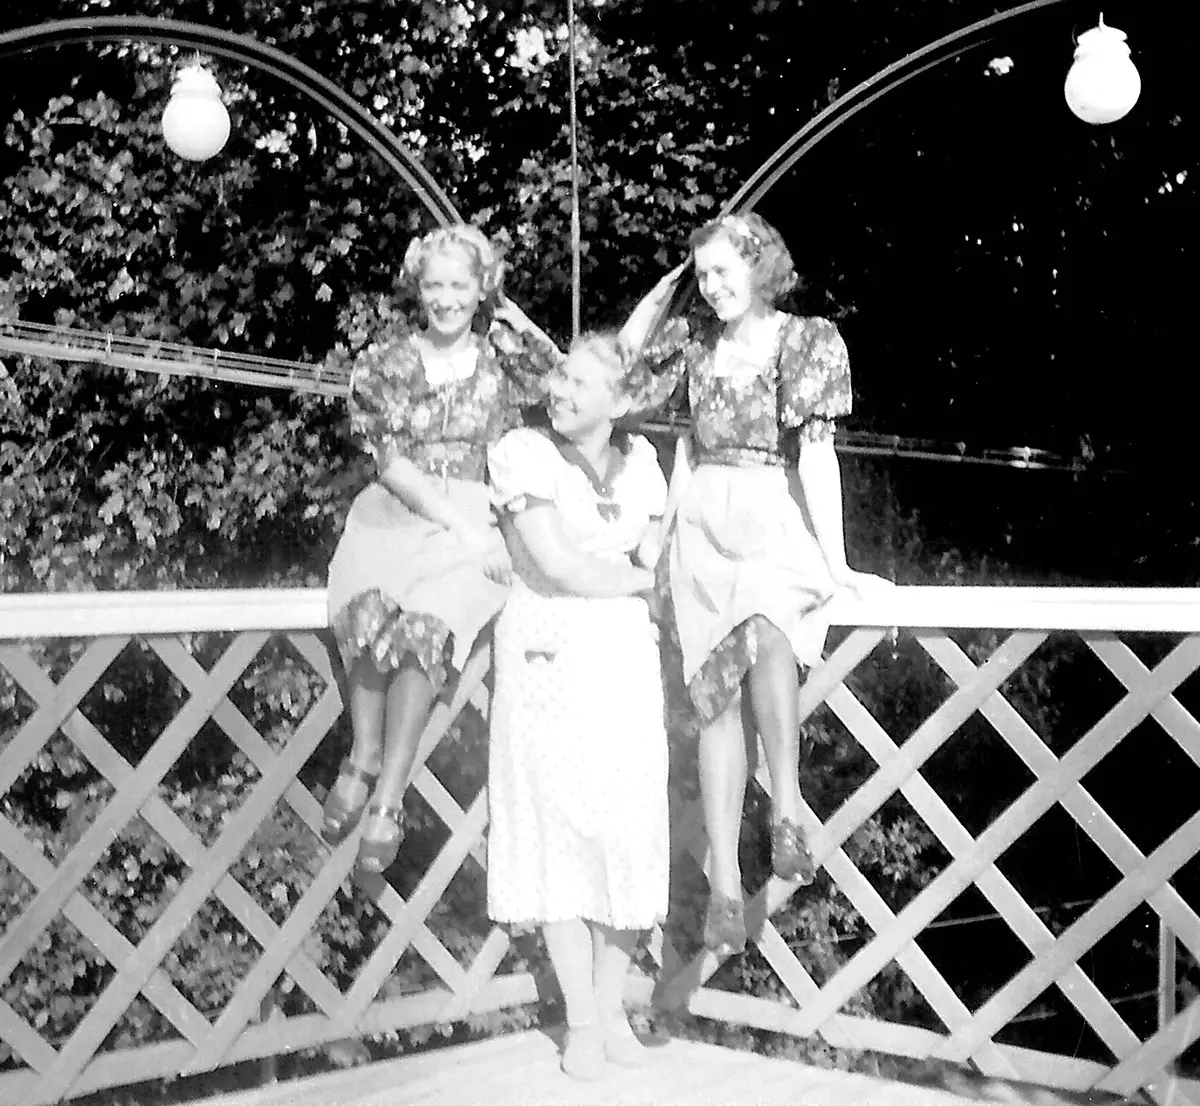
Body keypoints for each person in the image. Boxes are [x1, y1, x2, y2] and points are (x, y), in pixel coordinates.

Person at [621, 211, 888, 956]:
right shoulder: (693, 342)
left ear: (760, 265)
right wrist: (668, 288)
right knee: (714, 699)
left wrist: (837, 563)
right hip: (703, 528)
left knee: (770, 631)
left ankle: (786, 811)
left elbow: (818, 458)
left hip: (771, 514)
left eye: (722, 271)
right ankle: (726, 888)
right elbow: (625, 374)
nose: (712, 287)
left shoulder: (806, 341)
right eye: (702, 275)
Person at [324, 225, 560, 874]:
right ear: (418, 289)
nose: (446, 299)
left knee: (426, 629)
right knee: (367, 608)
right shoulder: (385, 363)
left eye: (461, 285)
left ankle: (389, 796)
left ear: (482, 288)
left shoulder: (502, 362)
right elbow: (391, 463)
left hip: (476, 518)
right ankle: (363, 754)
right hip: (399, 511)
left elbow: (566, 381)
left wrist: (511, 314)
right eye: (434, 285)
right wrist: (460, 527)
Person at [485, 333, 668, 1082]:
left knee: (626, 825)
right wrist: (640, 582)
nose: (559, 390)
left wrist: (648, 573)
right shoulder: (523, 454)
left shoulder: (643, 461)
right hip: (548, 651)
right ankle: (582, 1022)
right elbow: (557, 563)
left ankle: (614, 1008)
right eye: (559, 376)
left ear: (620, 401)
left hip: (624, 658)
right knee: (557, 828)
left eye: (580, 382)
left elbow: (654, 550)